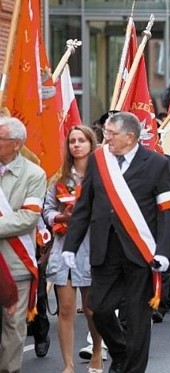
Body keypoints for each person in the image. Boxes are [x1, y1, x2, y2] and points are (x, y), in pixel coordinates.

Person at [62, 112, 170, 373]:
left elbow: (167, 210)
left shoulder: (156, 163)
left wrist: (164, 252)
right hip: (105, 249)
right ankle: (122, 351)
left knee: (137, 319)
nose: (107, 138)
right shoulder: (99, 160)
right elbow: (84, 205)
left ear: (130, 137)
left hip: (139, 252)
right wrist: (71, 245)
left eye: (112, 133)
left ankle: (131, 368)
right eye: (106, 133)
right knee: (99, 309)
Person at [44, 126, 104, 373]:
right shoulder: (59, 178)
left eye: (81, 141)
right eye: (72, 141)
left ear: (92, 144)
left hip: (93, 248)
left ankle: (98, 352)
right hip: (64, 247)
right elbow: (46, 210)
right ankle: (68, 364)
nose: (76, 145)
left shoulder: (102, 176)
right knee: (66, 309)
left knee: (92, 309)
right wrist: (61, 216)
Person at [0, 117, 46, 372]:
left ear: (16, 144)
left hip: (15, 263)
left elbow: (28, 218)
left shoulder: (34, 174)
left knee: (12, 326)